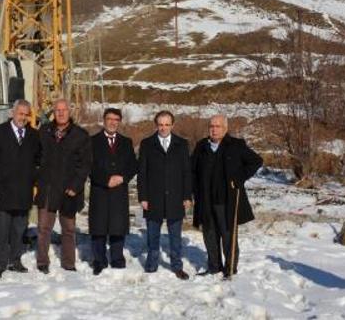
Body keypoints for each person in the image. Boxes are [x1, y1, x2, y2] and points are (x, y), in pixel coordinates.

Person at [192, 115, 262, 279]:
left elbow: (256, 161)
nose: (214, 129)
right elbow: (192, 170)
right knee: (209, 234)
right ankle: (214, 267)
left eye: (218, 126)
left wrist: (239, 178)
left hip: (227, 200)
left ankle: (230, 269)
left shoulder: (236, 145)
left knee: (228, 236)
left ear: (225, 128)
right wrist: (193, 191)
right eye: (211, 126)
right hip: (206, 200)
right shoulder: (202, 146)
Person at [0, 99, 40, 278]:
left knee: (19, 230)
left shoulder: (33, 135)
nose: (23, 118)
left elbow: (39, 162)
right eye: (20, 114)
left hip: (24, 192)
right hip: (3, 191)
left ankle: (15, 260)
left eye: (26, 114)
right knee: (3, 231)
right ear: (12, 113)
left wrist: (35, 181)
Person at [35, 98, 92, 273]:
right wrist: (37, 180)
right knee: (44, 228)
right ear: (54, 112)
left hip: (69, 190)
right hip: (48, 189)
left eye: (64, 110)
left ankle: (68, 263)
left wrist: (75, 186)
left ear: (70, 112)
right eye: (57, 110)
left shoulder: (80, 135)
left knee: (68, 229)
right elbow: (36, 158)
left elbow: (85, 165)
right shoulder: (44, 132)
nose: (60, 113)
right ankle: (42, 262)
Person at [137, 110, 192, 280]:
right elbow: (142, 173)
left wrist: (187, 196)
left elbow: (186, 172)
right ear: (156, 125)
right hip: (153, 198)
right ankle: (152, 264)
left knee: (175, 237)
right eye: (160, 124)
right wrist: (143, 197)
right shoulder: (147, 144)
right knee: (153, 236)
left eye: (167, 124)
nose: (163, 128)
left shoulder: (182, 144)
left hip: (176, 197)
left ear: (172, 125)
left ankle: (177, 266)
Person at [88, 107, 138, 276]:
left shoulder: (126, 142)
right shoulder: (92, 141)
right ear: (104, 120)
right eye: (110, 119)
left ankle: (117, 259)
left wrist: (122, 177)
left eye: (116, 120)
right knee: (99, 227)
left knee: (118, 227)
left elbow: (133, 165)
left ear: (119, 122)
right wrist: (105, 180)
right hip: (100, 190)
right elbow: (89, 166)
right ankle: (99, 260)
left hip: (119, 191)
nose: (113, 122)